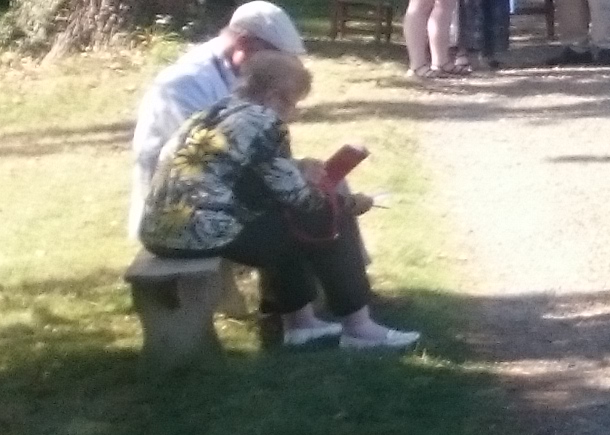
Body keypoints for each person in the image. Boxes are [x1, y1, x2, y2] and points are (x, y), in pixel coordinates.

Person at [140, 47, 418, 352]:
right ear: (274, 96)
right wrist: (353, 204)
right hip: (201, 234)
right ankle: (359, 328)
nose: (294, 113)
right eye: (293, 103)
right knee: (331, 218)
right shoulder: (264, 122)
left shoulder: (215, 111)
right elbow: (301, 199)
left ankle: (301, 324)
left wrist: (297, 168)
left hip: (161, 231)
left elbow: (248, 171)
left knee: (283, 223)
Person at [125, 0, 305, 242]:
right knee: (307, 225)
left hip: (221, 200)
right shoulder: (186, 85)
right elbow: (202, 170)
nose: (284, 71)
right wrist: (292, 177)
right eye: (277, 61)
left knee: (323, 205)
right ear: (243, 45)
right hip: (181, 219)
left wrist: (295, 171)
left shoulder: (246, 77)